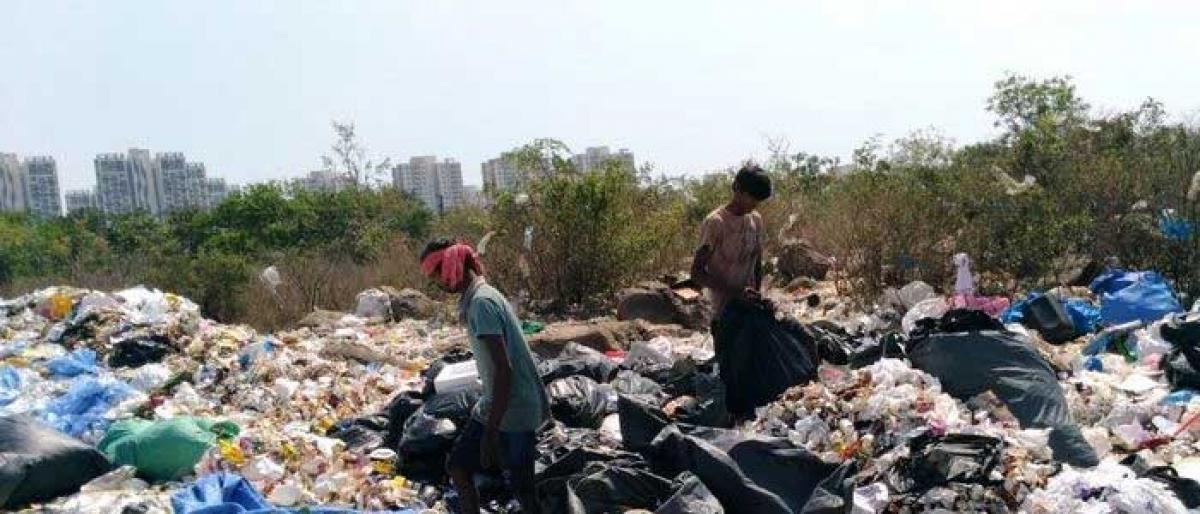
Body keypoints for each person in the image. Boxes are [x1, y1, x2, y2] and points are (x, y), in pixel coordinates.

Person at [420, 239, 548, 514]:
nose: (439, 283)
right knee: (459, 467)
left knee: (521, 486)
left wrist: (491, 433)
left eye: (437, 274)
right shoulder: (481, 295)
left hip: (515, 407)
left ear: (452, 264)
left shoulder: (481, 303)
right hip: (498, 403)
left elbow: (504, 370)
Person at [691, 164, 773, 322]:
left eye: (758, 200)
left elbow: (757, 263)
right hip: (723, 314)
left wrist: (756, 297)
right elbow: (697, 273)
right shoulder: (716, 223)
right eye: (752, 197)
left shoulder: (755, 220)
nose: (755, 204)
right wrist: (736, 293)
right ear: (737, 189)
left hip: (748, 311)